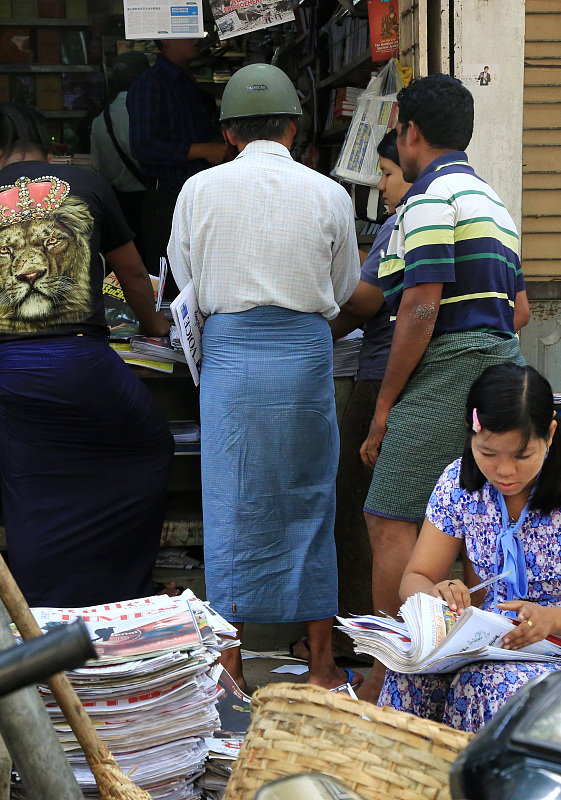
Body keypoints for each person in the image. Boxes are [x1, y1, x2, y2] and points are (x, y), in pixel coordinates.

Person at [168, 64, 361, 693]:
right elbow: (343, 288)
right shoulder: (329, 194)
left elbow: (185, 276)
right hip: (305, 359)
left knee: (231, 505)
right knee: (312, 502)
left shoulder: (198, 190)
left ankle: (231, 664)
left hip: (231, 359)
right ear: (293, 129)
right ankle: (321, 664)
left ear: (228, 132)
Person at [331, 127, 532, 699]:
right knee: (475, 517)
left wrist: (385, 407)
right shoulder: (492, 202)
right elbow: (518, 311)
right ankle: (464, 659)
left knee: (388, 515)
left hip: (446, 368)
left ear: (412, 134)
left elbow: (421, 305)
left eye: (389, 164)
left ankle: (390, 672)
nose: (384, 180)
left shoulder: (429, 198)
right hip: (501, 363)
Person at [0, 102, 173, 608]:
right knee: (150, 447)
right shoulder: (87, 185)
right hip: (81, 363)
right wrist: (156, 324)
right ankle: (120, 590)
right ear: (51, 151)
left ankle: (43, 609)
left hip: (7, 371)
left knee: (32, 489)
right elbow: (132, 272)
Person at [380, 364, 561, 732]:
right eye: (487, 453)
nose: (504, 471)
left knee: (489, 686)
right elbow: (415, 577)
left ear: (549, 434)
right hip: (490, 644)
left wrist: (553, 619)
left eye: (522, 455)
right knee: (408, 673)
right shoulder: (459, 486)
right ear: (471, 434)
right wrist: (437, 596)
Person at [127, 38, 232, 290]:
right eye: (188, 30)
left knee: (202, 274)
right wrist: (203, 150)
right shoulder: (150, 83)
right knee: (169, 281)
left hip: (199, 197)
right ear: (165, 38)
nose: (197, 37)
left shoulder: (187, 84)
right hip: (167, 197)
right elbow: (143, 146)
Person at [90, 51, 151, 251]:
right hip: (147, 202)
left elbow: (97, 167)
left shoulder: (100, 121)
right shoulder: (148, 116)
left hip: (116, 205)